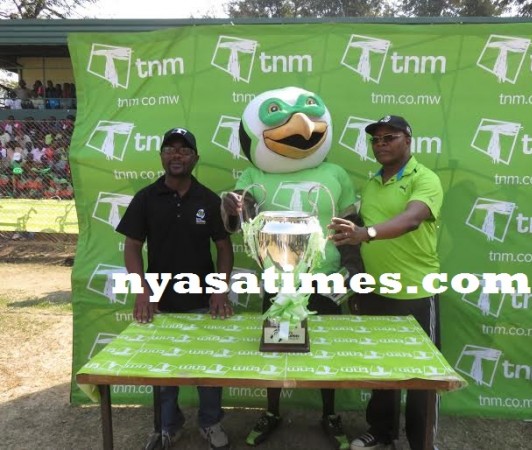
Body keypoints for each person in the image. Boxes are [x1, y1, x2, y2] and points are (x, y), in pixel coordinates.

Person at [221, 87, 362, 450]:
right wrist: (234, 205)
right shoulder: (254, 173)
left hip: (325, 278)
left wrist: (351, 270)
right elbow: (239, 220)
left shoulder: (336, 174)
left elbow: (350, 223)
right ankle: (272, 411)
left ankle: (330, 414)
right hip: (276, 278)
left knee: (326, 348)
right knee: (275, 345)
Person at [328, 115, 444, 450]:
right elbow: (359, 240)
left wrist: (365, 233)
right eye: (376, 140)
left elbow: (411, 219)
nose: (381, 145)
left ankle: (422, 442)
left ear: (408, 140)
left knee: (422, 375)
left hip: (417, 291)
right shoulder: (372, 183)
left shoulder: (425, 179)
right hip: (377, 292)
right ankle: (382, 431)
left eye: (389, 137)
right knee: (382, 368)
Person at [116, 127, 234, 450]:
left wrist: (220, 290)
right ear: (162, 156)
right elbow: (132, 247)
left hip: (201, 300)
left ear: (195, 158)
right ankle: (169, 425)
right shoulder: (146, 198)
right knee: (163, 371)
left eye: (184, 149)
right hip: (160, 302)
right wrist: (143, 290)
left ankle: (211, 422)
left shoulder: (209, 200)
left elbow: (224, 248)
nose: (177, 154)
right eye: (170, 148)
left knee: (207, 368)